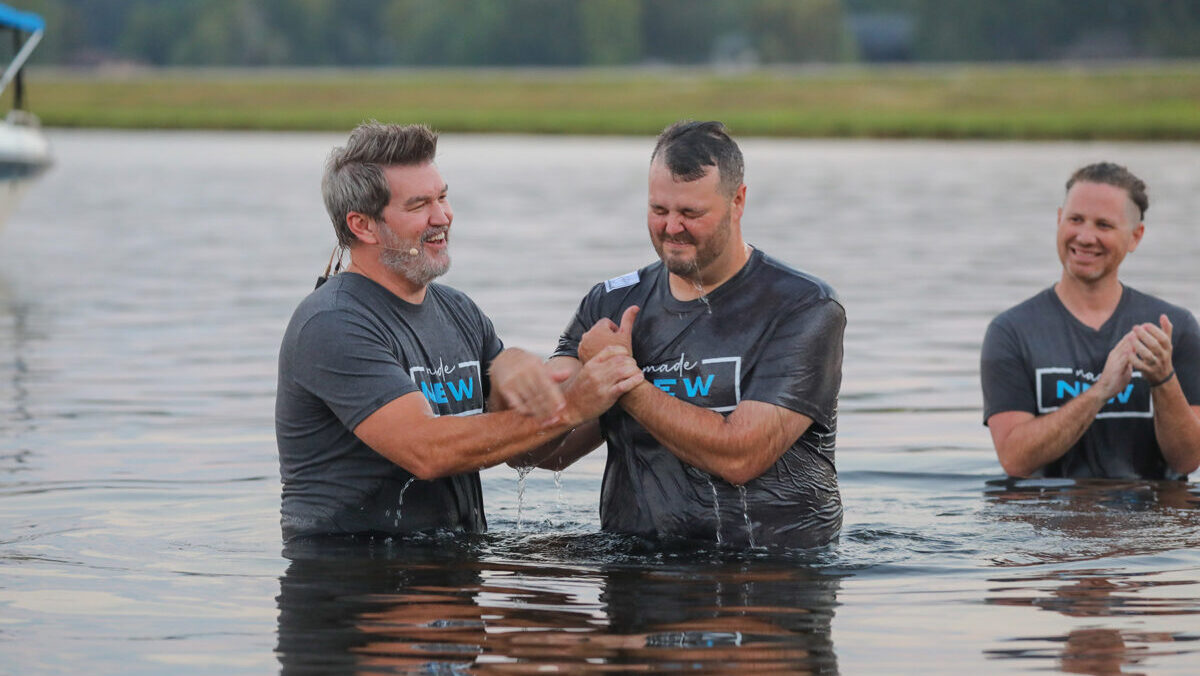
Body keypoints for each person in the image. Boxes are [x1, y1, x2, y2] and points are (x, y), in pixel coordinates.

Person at [275, 122, 642, 542]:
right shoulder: (332, 323)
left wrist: (618, 389)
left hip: (452, 572)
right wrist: (574, 406)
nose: (443, 217)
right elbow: (427, 451)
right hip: (352, 581)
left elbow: (529, 448)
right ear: (363, 225)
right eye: (419, 206)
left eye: (443, 197)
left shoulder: (460, 311)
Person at [523, 120, 846, 549]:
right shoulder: (610, 305)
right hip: (637, 569)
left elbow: (740, 456)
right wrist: (531, 391)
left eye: (691, 214)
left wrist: (623, 379)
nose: (672, 228)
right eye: (659, 211)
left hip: (771, 572)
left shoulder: (803, 307)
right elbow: (539, 452)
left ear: (738, 201)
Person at [981, 162, 1200, 480]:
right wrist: (1101, 391)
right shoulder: (1011, 332)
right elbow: (1016, 461)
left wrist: (1163, 379)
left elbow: (1188, 461)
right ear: (1059, 220)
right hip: (1046, 526)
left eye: (1104, 225)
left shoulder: (1173, 329)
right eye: (1075, 220)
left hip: (1149, 523)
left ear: (1135, 237)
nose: (1085, 237)